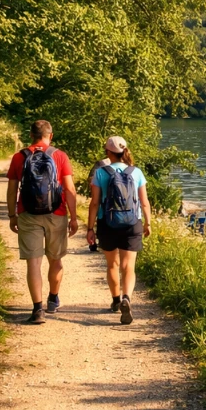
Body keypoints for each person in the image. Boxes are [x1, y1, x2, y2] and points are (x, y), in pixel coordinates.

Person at [7, 120, 78, 324]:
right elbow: (70, 189)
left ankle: (38, 310)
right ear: (50, 135)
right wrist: (73, 217)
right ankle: (53, 299)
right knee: (55, 259)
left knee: (34, 262)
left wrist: (13, 215)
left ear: (31, 135)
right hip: (56, 213)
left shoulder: (19, 157)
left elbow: (12, 189)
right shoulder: (60, 155)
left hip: (28, 214)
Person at [86, 136, 151, 325]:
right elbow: (144, 202)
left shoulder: (101, 172)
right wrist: (148, 223)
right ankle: (126, 298)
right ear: (125, 151)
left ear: (108, 152)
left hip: (107, 222)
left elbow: (95, 203)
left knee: (112, 264)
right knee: (128, 266)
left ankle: (115, 301)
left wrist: (90, 228)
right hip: (132, 222)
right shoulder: (136, 172)